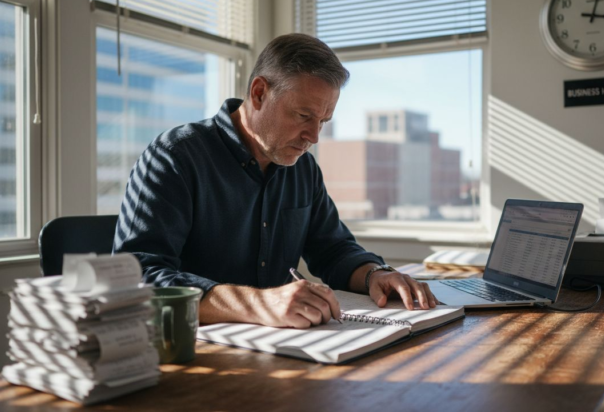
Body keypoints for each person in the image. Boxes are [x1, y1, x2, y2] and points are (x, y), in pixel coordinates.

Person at [114, 33, 438, 329]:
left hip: (278, 348)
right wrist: (259, 303)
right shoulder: (174, 157)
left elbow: (333, 249)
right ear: (259, 93)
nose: (314, 136)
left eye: (323, 121)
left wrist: (374, 275)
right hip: (194, 353)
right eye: (303, 116)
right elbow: (138, 279)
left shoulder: (302, 168)